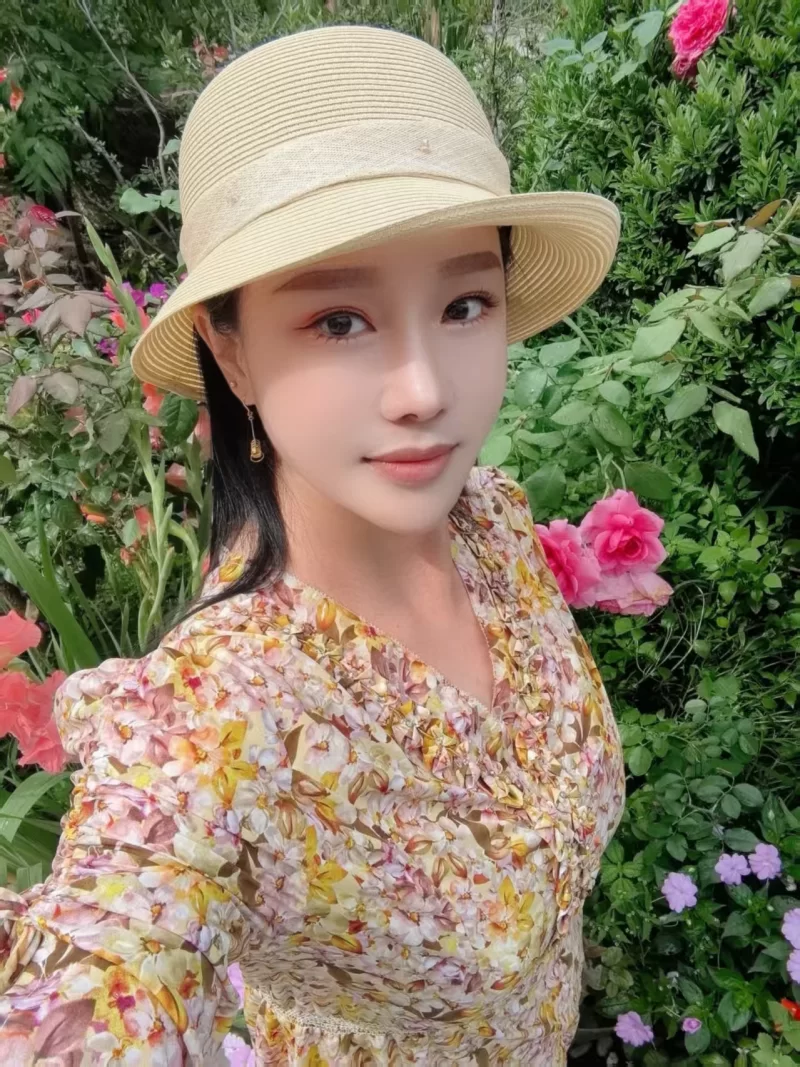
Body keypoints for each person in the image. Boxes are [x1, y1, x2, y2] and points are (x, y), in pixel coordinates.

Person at [0, 24, 625, 1066]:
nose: (424, 389)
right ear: (231, 351)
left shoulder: (492, 525)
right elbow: (106, 967)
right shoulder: (215, 714)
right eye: (339, 320)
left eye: (464, 303)